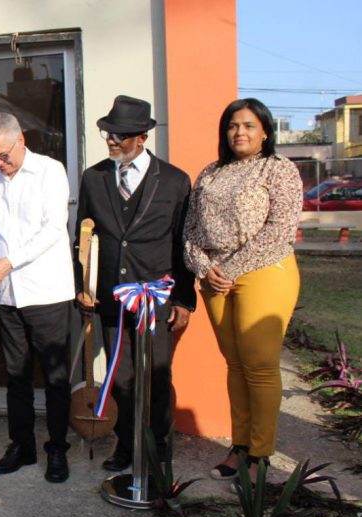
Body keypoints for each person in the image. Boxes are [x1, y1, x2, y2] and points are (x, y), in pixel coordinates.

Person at [183, 98, 302, 482]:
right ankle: (240, 445)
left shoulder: (278, 169)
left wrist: (231, 268)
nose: (240, 133)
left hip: (264, 271)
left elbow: (280, 230)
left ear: (265, 131)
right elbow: (190, 229)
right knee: (235, 365)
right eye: (233, 126)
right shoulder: (211, 172)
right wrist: (205, 267)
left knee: (260, 366)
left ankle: (260, 455)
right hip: (215, 277)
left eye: (249, 126)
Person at [75, 96, 196, 472]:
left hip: (155, 300)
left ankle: (158, 447)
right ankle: (126, 444)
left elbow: (182, 243)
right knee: (121, 376)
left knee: (157, 375)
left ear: (142, 137)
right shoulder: (93, 178)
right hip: (111, 299)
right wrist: (84, 285)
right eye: (108, 133)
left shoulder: (175, 181)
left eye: (120, 136)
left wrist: (183, 299)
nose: (111, 141)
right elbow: (82, 237)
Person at [0, 113, 75, 483]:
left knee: (54, 377)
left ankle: (58, 448)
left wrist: (9, 262)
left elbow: (53, 229)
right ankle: (22, 445)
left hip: (46, 290)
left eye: (3, 155)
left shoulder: (50, 171)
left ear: (21, 140)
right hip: (8, 293)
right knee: (15, 376)